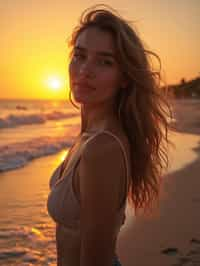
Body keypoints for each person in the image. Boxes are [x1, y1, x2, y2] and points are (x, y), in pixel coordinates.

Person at [47, 4, 172, 266]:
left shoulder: (102, 148)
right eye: (80, 56)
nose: (85, 70)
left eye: (105, 61)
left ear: (124, 77)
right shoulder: (90, 134)